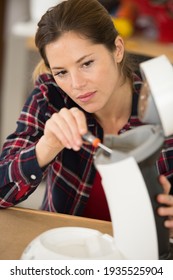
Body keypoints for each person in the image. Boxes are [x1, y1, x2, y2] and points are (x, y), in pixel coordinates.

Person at [0, 0, 173, 233]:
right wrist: (46, 147)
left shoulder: (164, 104)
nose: (77, 85)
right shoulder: (50, 97)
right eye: (61, 72)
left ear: (117, 49)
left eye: (87, 63)